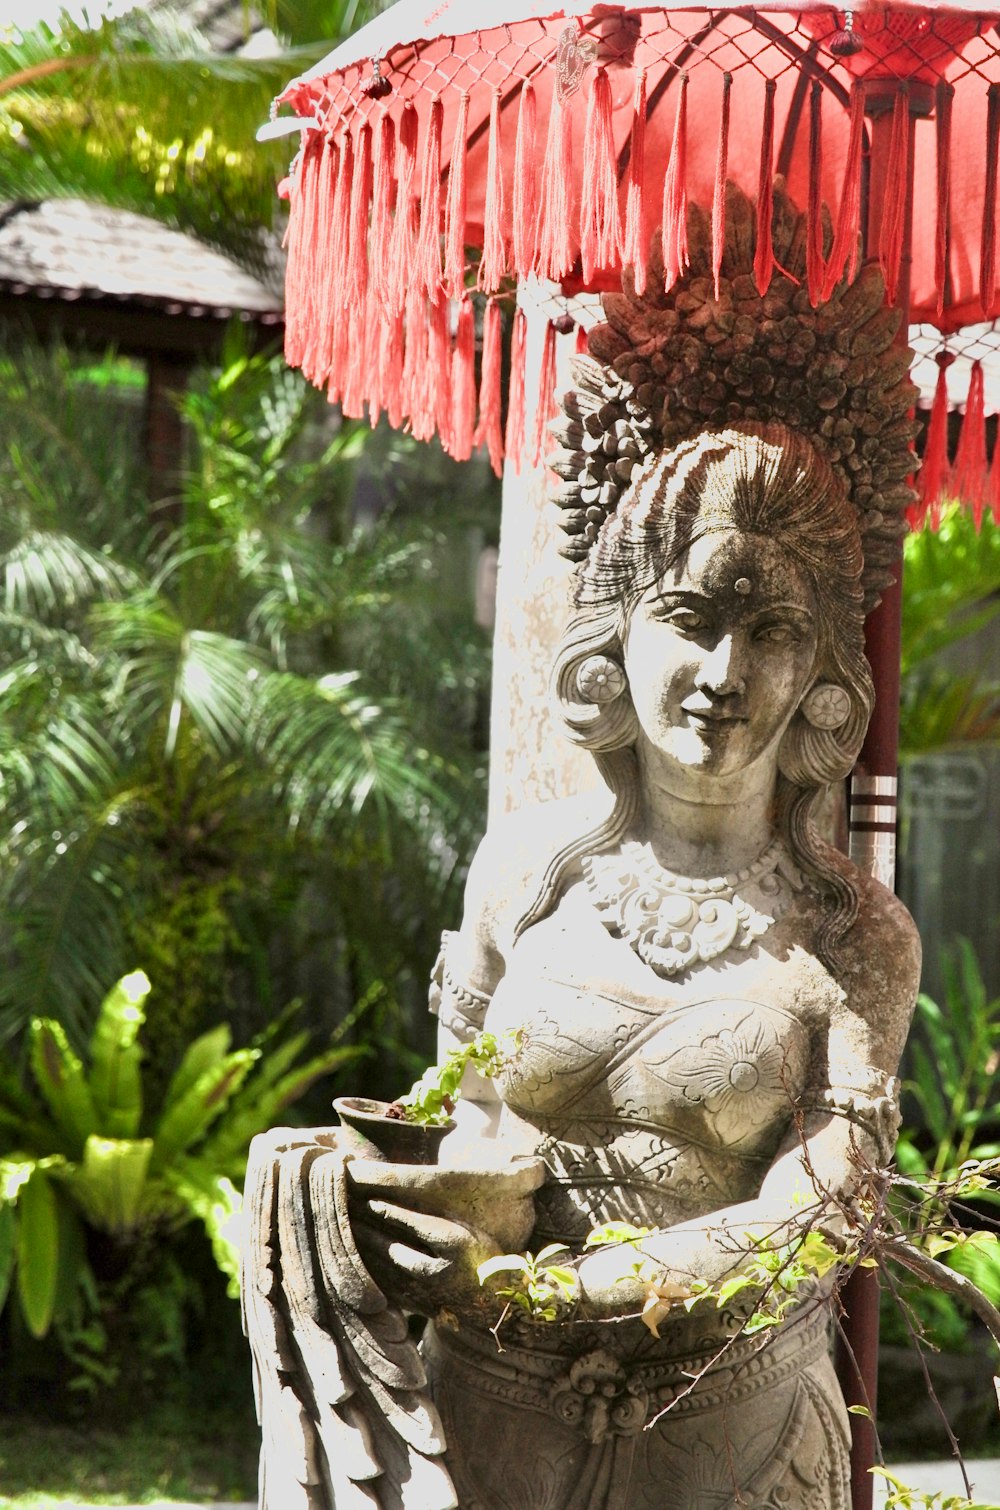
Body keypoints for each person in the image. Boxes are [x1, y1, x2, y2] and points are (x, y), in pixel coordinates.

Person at [244, 192, 920, 1510]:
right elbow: (460, 1108)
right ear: (617, 637)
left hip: (729, 1437)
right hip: (488, 1416)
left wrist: (584, 1284)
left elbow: (823, 1214)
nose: (723, 670)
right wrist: (345, 1179)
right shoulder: (526, 871)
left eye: (770, 627)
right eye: (689, 612)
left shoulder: (852, 935)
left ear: (825, 676)